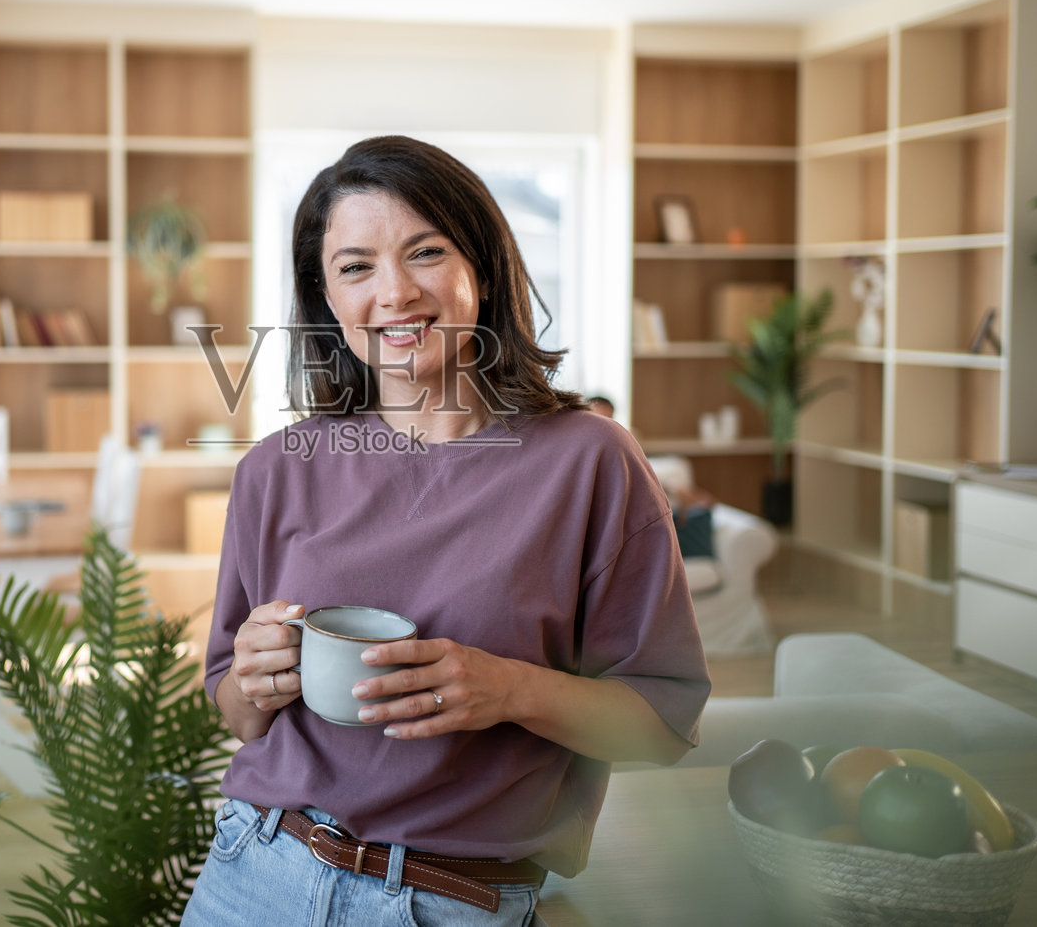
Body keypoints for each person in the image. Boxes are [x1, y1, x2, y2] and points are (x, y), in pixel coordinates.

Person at [182, 136, 710, 926]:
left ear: (482, 269)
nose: (393, 291)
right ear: (326, 298)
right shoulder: (275, 469)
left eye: (424, 252)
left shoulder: (590, 460)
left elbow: (662, 726)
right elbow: (234, 710)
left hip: (452, 900)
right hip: (255, 870)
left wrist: (508, 689)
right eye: (356, 266)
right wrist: (251, 678)